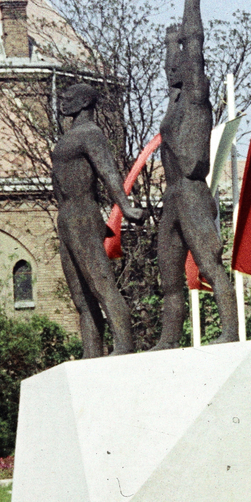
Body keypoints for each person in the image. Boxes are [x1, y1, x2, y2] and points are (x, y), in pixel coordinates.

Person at [154, 0, 239, 348]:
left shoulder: (195, 98)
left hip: (191, 192)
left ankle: (230, 330)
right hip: (172, 196)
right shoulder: (172, 105)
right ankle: (169, 340)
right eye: (169, 62)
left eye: (178, 62)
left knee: (209, 264)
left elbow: (196, 47)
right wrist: (171, 42)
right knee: (168, 276)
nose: (173, 66)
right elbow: (180, 52)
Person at [51, 82, 144, 358]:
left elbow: (108, 172)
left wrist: (125, 207)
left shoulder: (91, 134)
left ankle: (124, 347)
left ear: (83, 103)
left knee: (102, 285)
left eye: (68, 97)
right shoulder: (71, 135)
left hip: (82, 213)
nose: (62, 101)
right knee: (81, 296)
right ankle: (91, 355)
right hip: (67, 217)